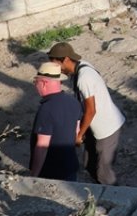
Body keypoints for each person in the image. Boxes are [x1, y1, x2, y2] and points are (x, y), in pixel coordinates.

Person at [48, 42, 125, 185]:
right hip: (95, 127)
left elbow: (91, 110)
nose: (55, 69)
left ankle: (115, 194)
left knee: (104, 173)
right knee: (89, 163)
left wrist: (79, 135)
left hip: (106, 129)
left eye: (56, 64)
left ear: (66, 59)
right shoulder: (81, 66)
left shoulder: (84, 78)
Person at [29, 61, 83, 181]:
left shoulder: (46, 109)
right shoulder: (73, 102)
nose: (35, 85)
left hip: (51, 172)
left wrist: (34, 176)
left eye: (36, 82)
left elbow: (42, 146)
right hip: (70, 166)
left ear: (43, 83)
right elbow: (76, 131)